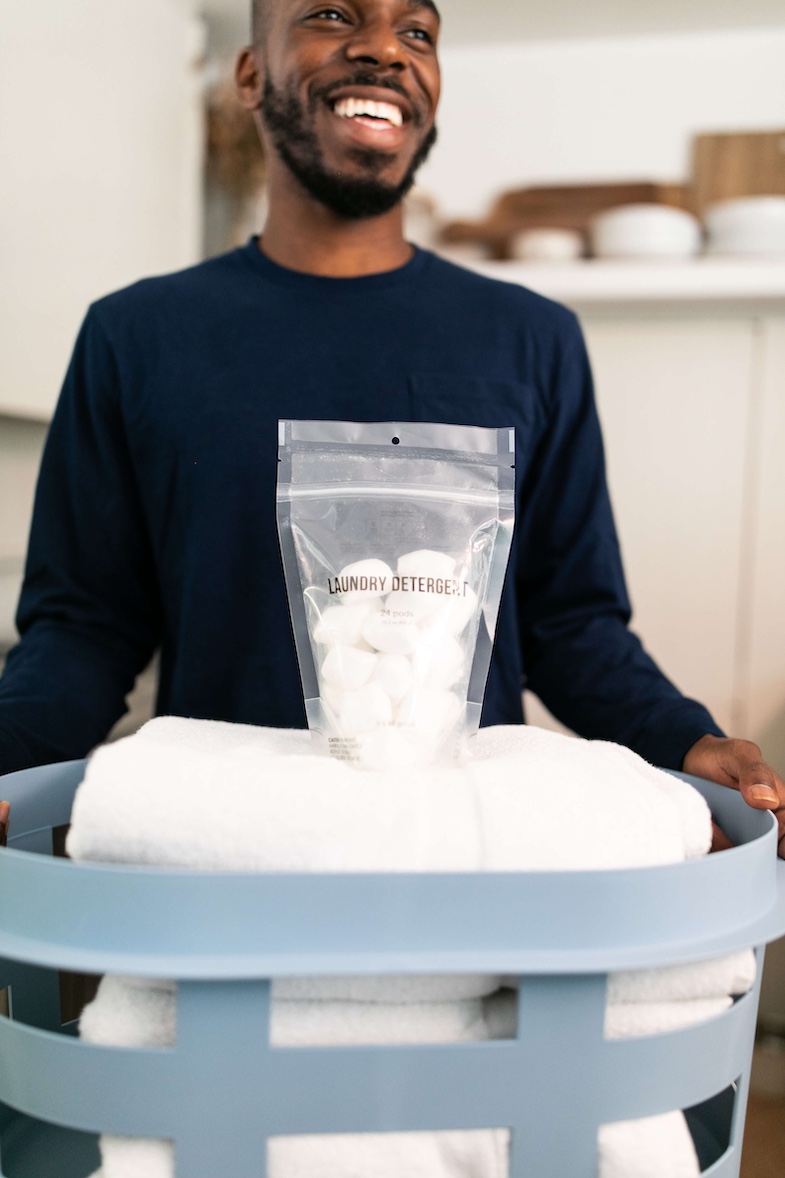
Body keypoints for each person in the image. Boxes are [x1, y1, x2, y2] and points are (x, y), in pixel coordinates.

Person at [0, 0, 783, 857]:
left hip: (467, 861)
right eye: (332, 15)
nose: (383, 48)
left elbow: (570, 625)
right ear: (251, 73)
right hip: (218, 857)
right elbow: (86, 626)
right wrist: (12, 756)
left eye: (417, 33)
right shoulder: (136, 336)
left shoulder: (530, 338)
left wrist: (683, 738)